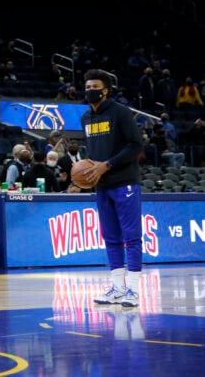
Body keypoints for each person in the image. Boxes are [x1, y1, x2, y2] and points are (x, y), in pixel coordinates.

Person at [75, 68, 145, 309]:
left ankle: (133, 290)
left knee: (132, 237)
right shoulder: (86, 118)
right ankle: (117, 289)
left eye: (95, 88)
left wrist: (108, 165)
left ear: (106, 91)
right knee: (111, 237)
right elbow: (94, 153)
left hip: (124, 182)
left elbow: (136, 145)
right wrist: (87, 171)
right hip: (101, 185)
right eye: (87, 87)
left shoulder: (121, 113)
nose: (90, 91)